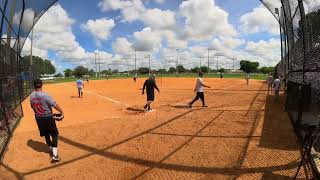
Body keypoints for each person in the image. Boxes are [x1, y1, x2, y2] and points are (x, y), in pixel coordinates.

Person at [30, 79, 64, 162]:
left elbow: (33, 107)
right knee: (55, 135)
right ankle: (55, 155)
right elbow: (54, 104)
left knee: (46, 135)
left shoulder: (31, 96)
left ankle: (50, 149)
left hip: (39, 118)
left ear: (34, 86)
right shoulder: (44, 95)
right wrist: (61, 111)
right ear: (41, 85)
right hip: (48, 118)